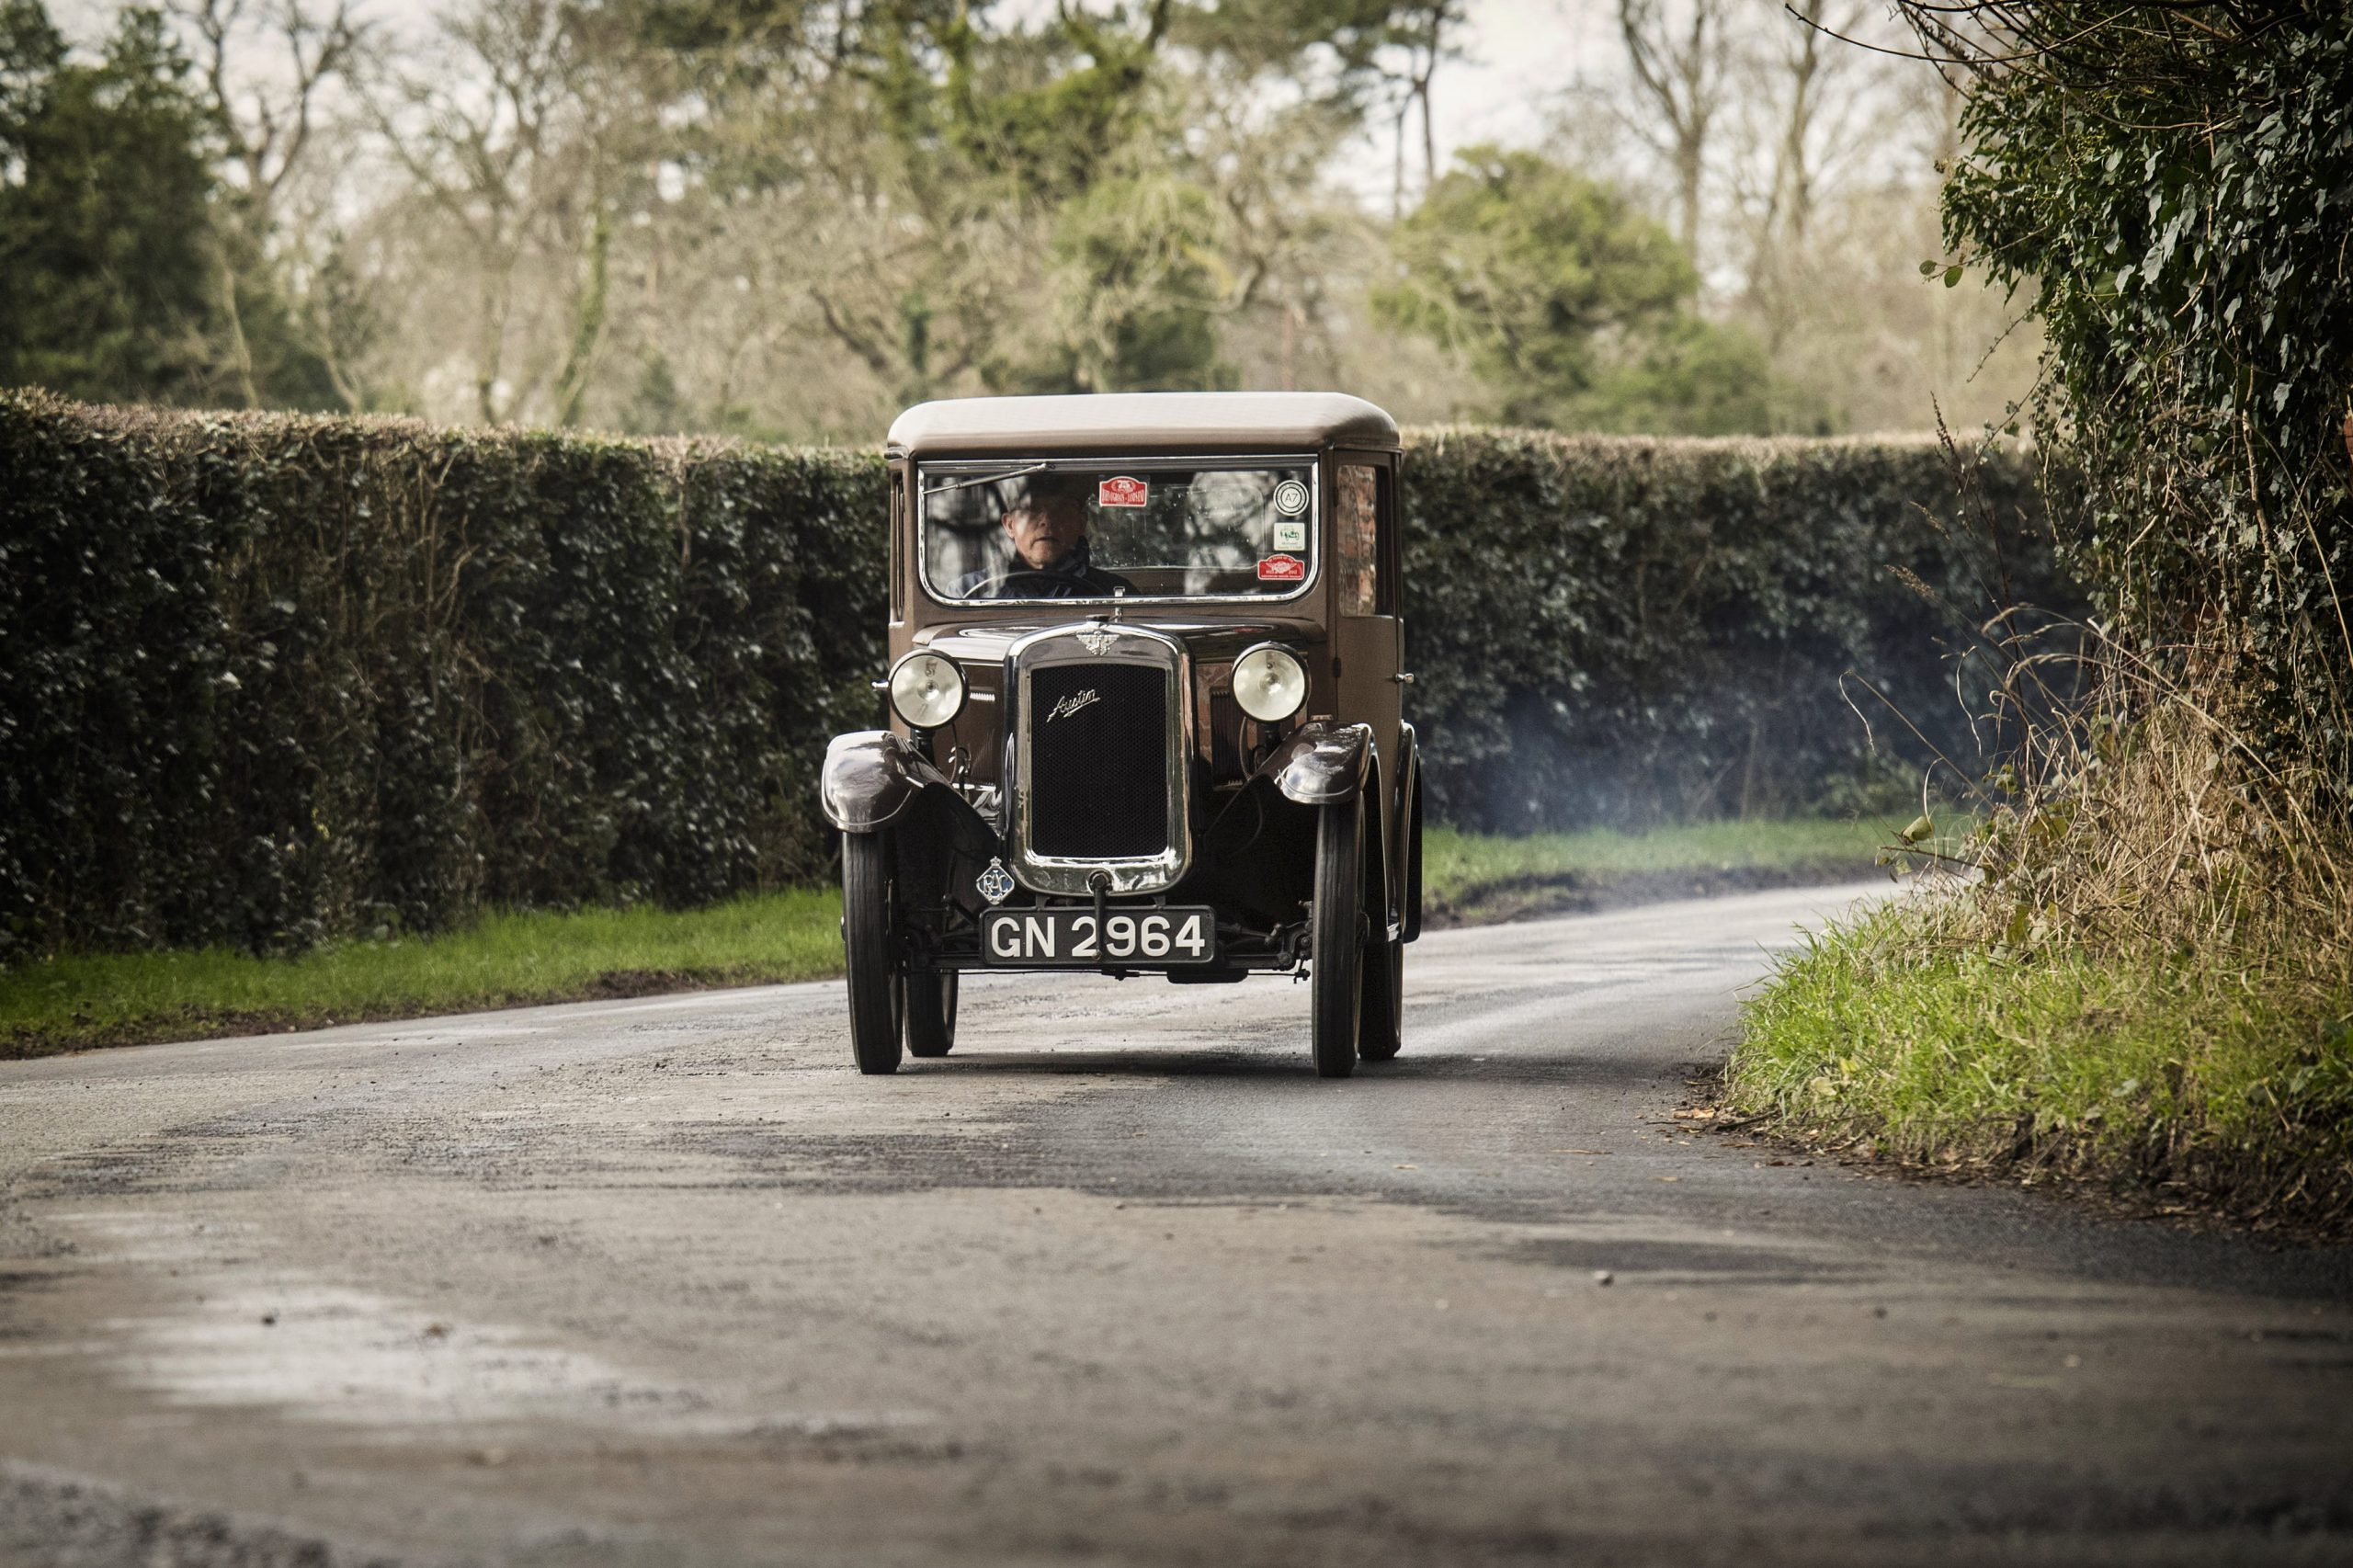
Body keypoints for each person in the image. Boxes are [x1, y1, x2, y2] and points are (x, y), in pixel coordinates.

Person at [955, 473, 1133, 598]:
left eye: (1062, 510)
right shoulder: (966, 592)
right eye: (1031, 510)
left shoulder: (1116, 592)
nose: (1047, 521)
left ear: (1080, 524)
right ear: (1010, 525)